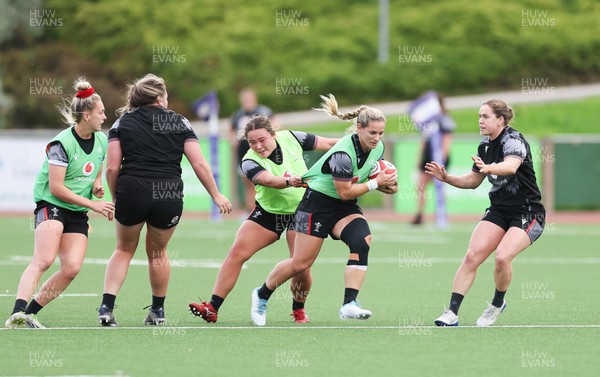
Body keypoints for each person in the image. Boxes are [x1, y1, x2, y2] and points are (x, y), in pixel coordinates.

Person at [249, 94, 398, 326]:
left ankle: (349, 304)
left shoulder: (377, 148)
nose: (377, 138)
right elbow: (345, 191)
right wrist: (376, 183)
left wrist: (387, 184)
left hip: (343, 208)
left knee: (362, 240)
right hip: (316, 205)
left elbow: (364, 184)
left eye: (381, 133)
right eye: (372, 133)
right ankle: (261, 294)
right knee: (300, 264)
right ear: (358, 128)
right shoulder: (342, 154)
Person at [97, 73, 232, 327]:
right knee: (158, 253)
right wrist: (216, 194)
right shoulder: (180, 122)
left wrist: (118, 198)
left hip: (132, 190)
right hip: (167, 192)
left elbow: (112, 168)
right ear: (159, 98)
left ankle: (107, 308)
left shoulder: (123, 122)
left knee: (124, 249)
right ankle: (157, 312)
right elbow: (199, 162)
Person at [189, 115, 339, 324]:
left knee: (302, 266)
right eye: (252, 142)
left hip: (302, 210)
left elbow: (331, 144)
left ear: (273, 135)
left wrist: (359, 146)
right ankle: (212, 307)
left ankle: (298, 310)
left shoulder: (292, 138)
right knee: (237, 253)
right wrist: (289, 181)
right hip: (269, 212)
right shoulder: (249, 160)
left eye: (262, 140)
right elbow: (267, 180)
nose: (258, 146)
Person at [5, 78, 114, 329]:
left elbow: (95, 175)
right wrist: (94, 204)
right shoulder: (61, 143)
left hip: (77, 210)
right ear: (86, 115)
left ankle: (29, 314)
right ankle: (16, 311)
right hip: (51, 203)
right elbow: (56, 187)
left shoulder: (101, 140)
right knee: (43, 259)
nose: (105, 117)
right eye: (101, 112)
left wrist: (96, 188)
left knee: (72, 268)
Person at [428, 99, 545, 327]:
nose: (480, 121)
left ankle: (496, 304)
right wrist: (447, 178)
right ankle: (451, 314)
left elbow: (510, 166)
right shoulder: (484, 146)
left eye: (485, 116)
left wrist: (489, 167)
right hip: (500, 210)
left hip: (528, 213)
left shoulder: (514, 140)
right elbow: (473, 181)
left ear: (500, 120)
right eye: (479, 116)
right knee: (472, 256)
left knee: (502, 256)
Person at [411, 93, 455, 225]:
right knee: (421, 185)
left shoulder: (444, 119)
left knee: (440, 185)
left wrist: (442, 158)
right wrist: (419, 157)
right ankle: (420, 213)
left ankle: (441, 214)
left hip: (438, 156)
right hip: (427, 155)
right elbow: (424, 139)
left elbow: (447, 140)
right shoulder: (428, 119)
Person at [231, 88, 273, 212]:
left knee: (262, 182)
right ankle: (250, 210)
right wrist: (233, 139)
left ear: (255, 99)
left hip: (261, 154)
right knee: (248, 183)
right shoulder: (238, 114)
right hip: (244, 154)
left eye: (249, 99)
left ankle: (264, 209)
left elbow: (275, 124)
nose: (246, 101)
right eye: (244, 99)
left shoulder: (263, 112)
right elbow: (231, 129)